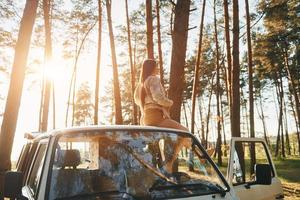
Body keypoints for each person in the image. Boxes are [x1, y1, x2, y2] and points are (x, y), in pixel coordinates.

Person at [134, 59, 188, 132]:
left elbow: (137, 100)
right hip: (156, 117)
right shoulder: (153, 79)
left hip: (145, 118)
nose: (157, 68)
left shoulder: (140, 84)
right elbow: (158, 97)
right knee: (185, 132)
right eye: (156, 66)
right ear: (152, 68)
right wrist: (170, 103)